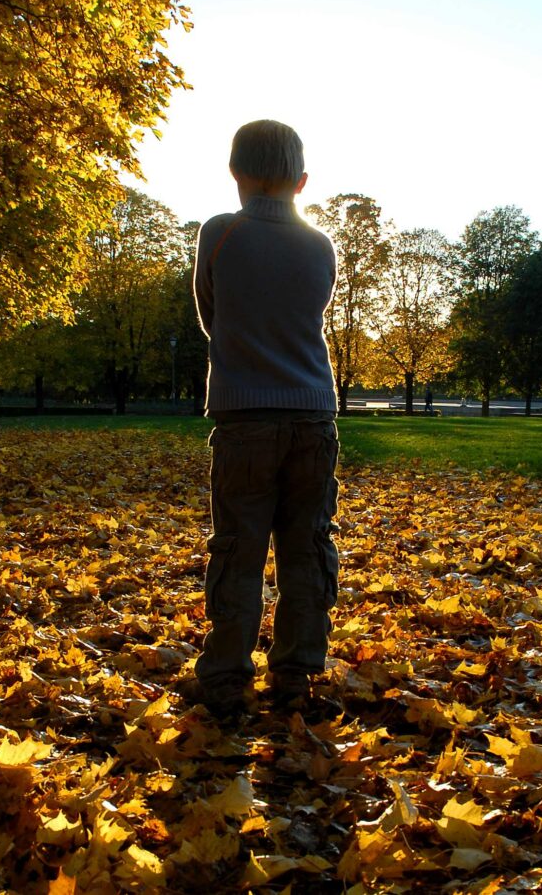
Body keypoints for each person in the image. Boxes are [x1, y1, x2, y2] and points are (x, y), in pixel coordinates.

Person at [181, 120, 340, 722]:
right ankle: (296, 674)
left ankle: (225, 678)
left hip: (244, 416)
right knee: (307, 547)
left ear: (234, 174)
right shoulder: (320, 245)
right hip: (313, 418)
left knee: (238, 550)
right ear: (302, 181)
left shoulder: (219, 235)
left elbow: (210, 319)